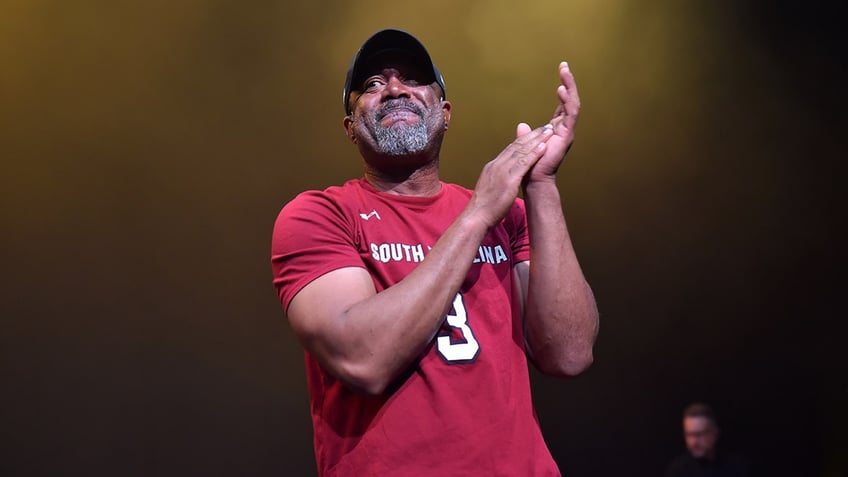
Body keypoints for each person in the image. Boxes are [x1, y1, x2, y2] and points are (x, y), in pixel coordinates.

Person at [271, 28, 599, 476]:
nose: (394, 89)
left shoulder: (510, 216)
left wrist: (541, 184)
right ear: (350, 128)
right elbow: (362, 360)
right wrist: (477, 216)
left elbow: (570, 353)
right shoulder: (320, 215)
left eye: (413, 78)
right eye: (371, 85)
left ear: (445, 114)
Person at [666, 403, 751, 477]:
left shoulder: (735, 468)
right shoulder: (677, 471)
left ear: (715, 433)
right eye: (689, 435)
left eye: (699, 434)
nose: (693, 442)